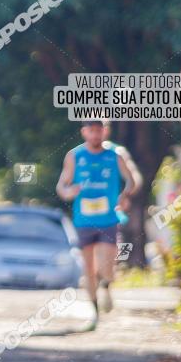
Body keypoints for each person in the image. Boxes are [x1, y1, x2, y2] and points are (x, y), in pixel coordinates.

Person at [56, 120, 141, 328]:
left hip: (108, 219)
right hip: (83, 220)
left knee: (106, 265)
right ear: (84, 132)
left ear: (105, 131)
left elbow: (133, 178)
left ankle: (107, 284)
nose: (95, 135)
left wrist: (125, 194)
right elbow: (61, 186)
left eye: (99, 130)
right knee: (89, 268)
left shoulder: (116, 154)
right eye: (91, 131)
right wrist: (68, 192)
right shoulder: (74, 156)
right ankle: (94, 312)